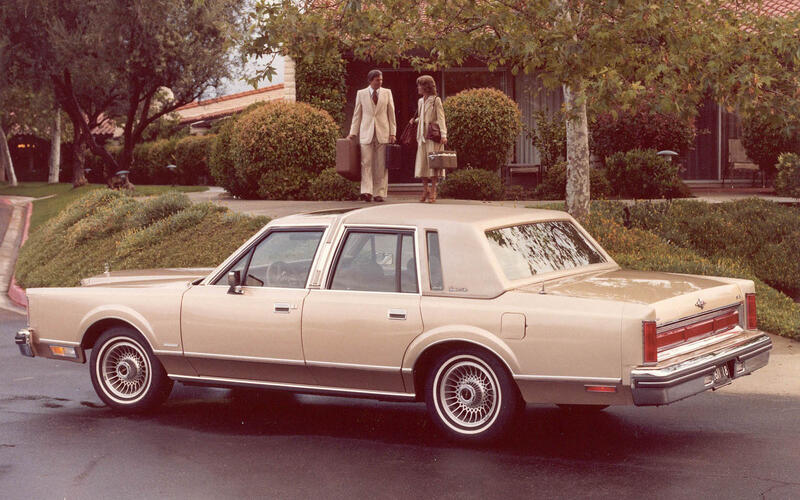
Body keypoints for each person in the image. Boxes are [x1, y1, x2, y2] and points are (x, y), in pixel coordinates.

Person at [349, 69, 396, 202]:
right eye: (377, 80)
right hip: (366, 132)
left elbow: (391, 114)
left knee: (381, 164)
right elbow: (357, 114)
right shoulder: (361, 94)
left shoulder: (387, 93)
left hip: (383, 132)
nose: (380, 82)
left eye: (381, 80)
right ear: (370, 81)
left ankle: (379, 193)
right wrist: (353, 132)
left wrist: (393, 132)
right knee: (366, 163)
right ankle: (367, 191)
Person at [412, 75, 447, 203]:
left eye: (420, 85)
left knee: (433, 164)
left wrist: (443, 135)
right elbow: (422, 117)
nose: (418, 88)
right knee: (422, 163)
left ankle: (433, 190)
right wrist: (415, 120)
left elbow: (441, 117)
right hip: (422, 136)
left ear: (426, 86)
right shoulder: (420, 101)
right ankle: (425, 189)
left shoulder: (435, 100)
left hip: (433, 135)